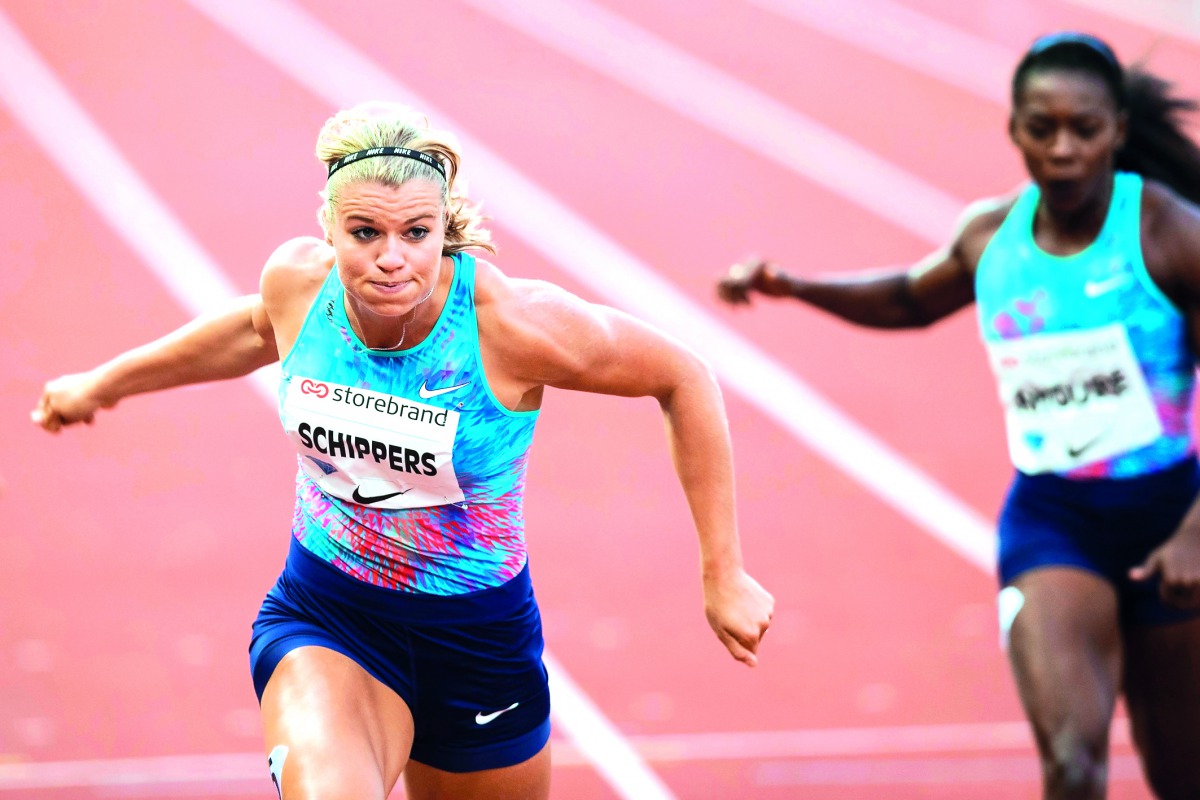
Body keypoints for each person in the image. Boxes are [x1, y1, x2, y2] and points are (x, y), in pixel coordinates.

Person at [32, 101, 774, 800]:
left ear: (441, 228)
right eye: (364, 234)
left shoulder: (508, 327)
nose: (392, 259)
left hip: (478, 636)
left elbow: (684, 376)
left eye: (415, 234)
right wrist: (104, 383)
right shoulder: (299, 286)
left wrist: (724, 571)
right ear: (330, 228)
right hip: (329, 613)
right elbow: (251, 332)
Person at [718, 32, 1200, 800]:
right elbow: (909, 298)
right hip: (1056, 518)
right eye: (1043, 129)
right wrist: (798, 286)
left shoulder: (1170, 235)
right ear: (1013, 129)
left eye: (1085, 129)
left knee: (1184, 774)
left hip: (1170, 515)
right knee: (1073, 764)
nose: (1064, 150)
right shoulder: (991, 238)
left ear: (1117, 131)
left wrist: (1195, 530)